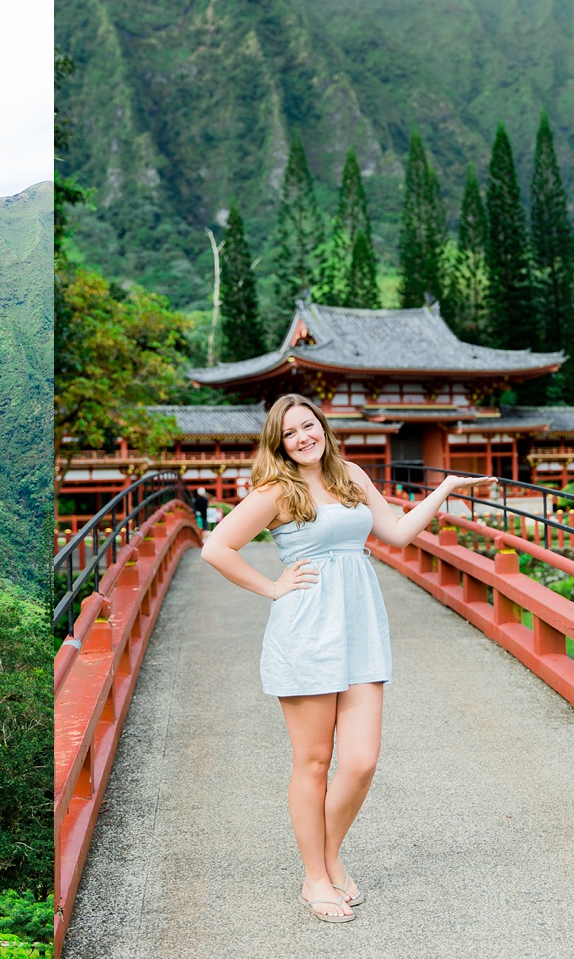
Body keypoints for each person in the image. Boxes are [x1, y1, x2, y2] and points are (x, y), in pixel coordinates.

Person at [200, 393, 493, 922]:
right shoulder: (277, 492)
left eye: (308, 426)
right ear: (279, 444)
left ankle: (328, 856)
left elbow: (398, 535)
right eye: (290, 433)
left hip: (359, 629)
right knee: (313, 763)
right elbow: (216, 547)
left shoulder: (351, 475)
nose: (303, 438)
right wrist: (272, 588)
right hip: (307, 632)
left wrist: (445, 489)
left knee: (360, 762)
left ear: (323, 428)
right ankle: (316, 879)